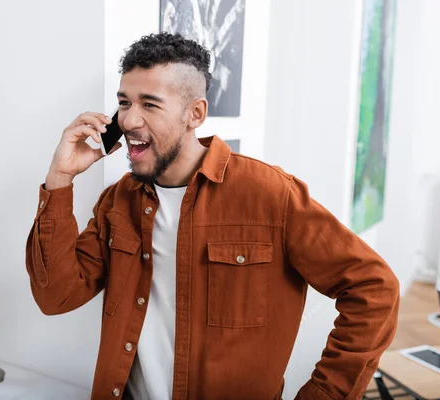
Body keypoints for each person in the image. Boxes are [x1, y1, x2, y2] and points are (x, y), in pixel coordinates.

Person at [25, 32, 400, 400]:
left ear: (195, 113)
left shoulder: (270, 195)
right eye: (124, 102)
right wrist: (60, 179)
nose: (128, 120)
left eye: (149, 104)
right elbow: (56, 296)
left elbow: (374, 289)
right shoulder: (118, 201)